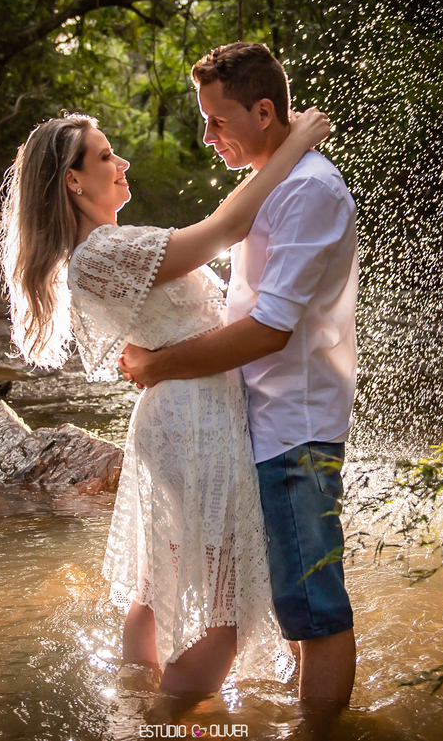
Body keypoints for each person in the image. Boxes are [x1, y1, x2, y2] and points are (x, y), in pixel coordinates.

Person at [0, 106, 331, 694]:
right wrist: (291, 147)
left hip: (188, 413)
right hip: (194, 421)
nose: (120, 162)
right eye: (104, 155)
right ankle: (165, 719)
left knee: (157, 588)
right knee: (222, 611)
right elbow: (223, 231)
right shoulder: (102, 254)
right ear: (73, 180)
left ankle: (133, 706)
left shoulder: (111, 246)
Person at [119, 42, 360, 708]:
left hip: (295, 431)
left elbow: (268, 330)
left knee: (316, 609)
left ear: (263, 110)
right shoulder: (272, 183)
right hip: (260, 423)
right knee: (290, 601)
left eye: (217, 120)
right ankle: (286, 708)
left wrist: (159, 365)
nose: (207, 136)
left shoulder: (311, 190)